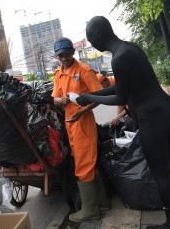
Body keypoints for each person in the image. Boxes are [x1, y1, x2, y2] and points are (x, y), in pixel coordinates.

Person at [76, 16, 170, 228]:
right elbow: (123, 87)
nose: (92, 44)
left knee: (159, 170)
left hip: (151, 115)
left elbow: (121, 97)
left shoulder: (118, 59)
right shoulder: (129, 48)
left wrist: (89, 98)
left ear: (99, 37)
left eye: (90, 39)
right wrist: (93, 93)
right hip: (165, 106)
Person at [51, 37, 110, 222]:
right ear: (57, 56)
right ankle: (102, 202)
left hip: (83, 123)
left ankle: (91, 210)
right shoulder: (58, 74)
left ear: (73, 52)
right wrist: (60, 101)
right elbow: (55, 98)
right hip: (70, 125)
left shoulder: (84, 71)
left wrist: (81, 112)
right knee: (85, 162)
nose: (64, 58)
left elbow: (98, 97)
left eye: (67, 54)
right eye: (60, 55)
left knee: (83, 166)